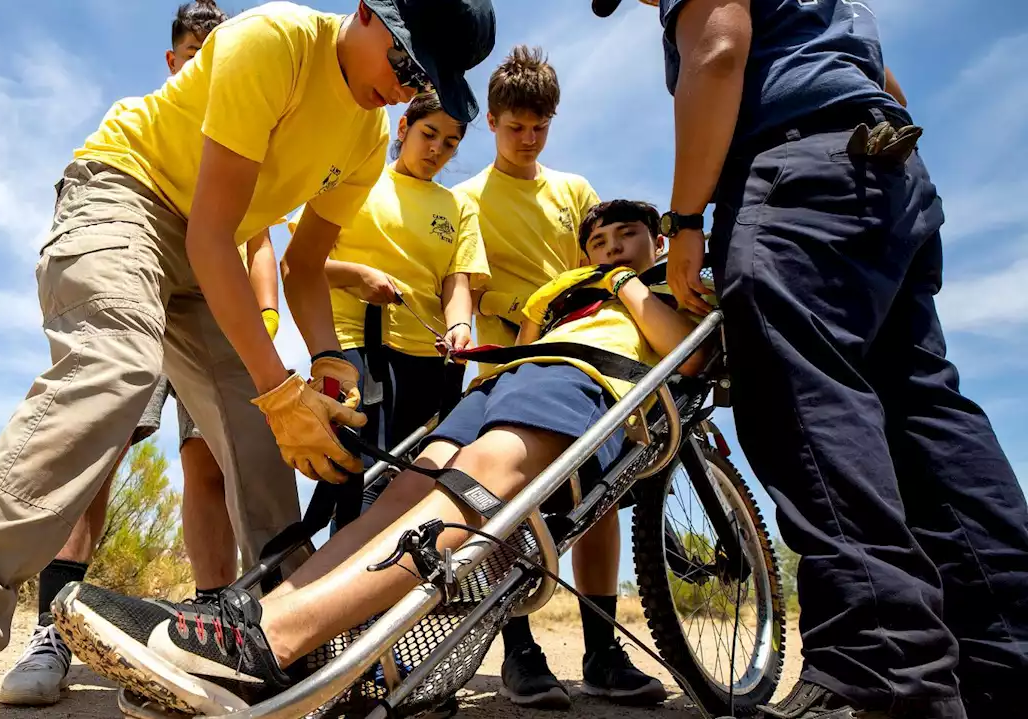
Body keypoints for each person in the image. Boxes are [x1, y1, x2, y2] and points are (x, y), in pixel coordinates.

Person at [0, 1, 495, 717]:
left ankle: (289, 651)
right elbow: (209, 232)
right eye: (405, 62)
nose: (404, 87)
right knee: (117, 369)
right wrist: (279, 387)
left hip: (206, 256)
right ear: (365, 10)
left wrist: (326, 357)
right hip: (125, 193)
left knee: (259, 441)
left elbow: (303, 267)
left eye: (425, 79)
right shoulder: (278, 42)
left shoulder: (361, 135)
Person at [54, 196, 706, 715]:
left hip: (594, 378)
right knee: (401, 491)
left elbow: (691, 352)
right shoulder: (557, 290)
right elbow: (519, 346)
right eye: (597, 242)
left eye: (625, 236)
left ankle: (270, 640)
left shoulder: (663, 285)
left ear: (655, 242)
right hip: (507, 381)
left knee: (478, 484)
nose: (609, 248)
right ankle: (268, 631)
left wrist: (625, 282)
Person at [590, 0, 1028, 717]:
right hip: (889, 174)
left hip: (795, 179)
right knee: (925, 418)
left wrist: (687, 219)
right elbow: (889, 85)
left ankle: (879, 672)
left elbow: (721, 49)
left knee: (805, 406)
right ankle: (1006, 659)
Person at [0, 3, 290, 706]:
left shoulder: (249, 140)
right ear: (173, 58)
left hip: (213, 316)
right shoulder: (146, 122)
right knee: (100, 440)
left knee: (213, 463)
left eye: (220, 48)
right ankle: (54, 630)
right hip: (142, 288)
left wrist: (265, 324)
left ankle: (217, 623)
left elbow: (258, 245)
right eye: (194, 48)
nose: (207, 59)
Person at [451, 46, 662, 709]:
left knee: (599, 496)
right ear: (491, 122)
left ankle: (602, 650)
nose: (528, 139)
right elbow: (462, 281)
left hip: (588, 364)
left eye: (540, 127)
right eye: (515, 127)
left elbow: (601, 271)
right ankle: (519, 651)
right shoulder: (468, 200)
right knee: (504, 510)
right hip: (508, 364)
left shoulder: (574, 193)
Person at [302, 90, 488, 528]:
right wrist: (359, 276)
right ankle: (328, 584)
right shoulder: (358, 179)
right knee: (355, 477)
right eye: (429, 133)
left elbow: (456, 281)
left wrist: (460, 325)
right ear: (403, 128)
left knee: (404, 485)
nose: (437, 149)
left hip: (428, 360)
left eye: (450, 143)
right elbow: (305, 266)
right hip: (355, 346)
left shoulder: (459, 206)